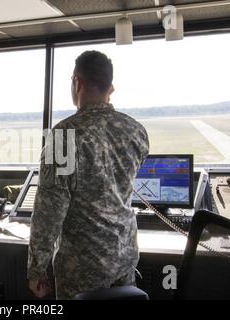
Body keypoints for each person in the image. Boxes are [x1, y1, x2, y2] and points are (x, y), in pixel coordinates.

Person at [27, 51, 149, 299]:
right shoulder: (136, 131)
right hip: (124, 257)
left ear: (77, 82)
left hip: (82, 268)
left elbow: (49, 212)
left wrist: (36, 268)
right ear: (110, 88)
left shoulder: (64, 136)